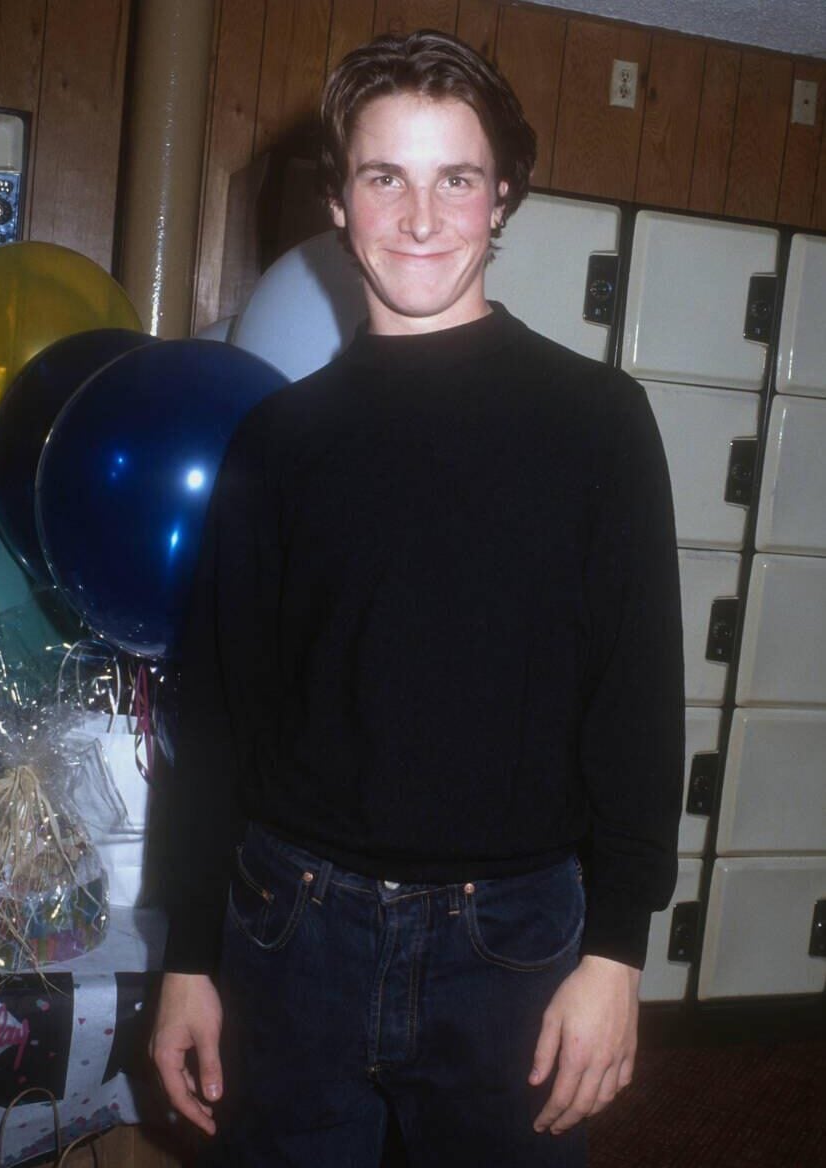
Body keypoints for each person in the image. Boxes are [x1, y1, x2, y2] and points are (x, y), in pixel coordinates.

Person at [151, 29, 685, 1167]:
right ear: (337, 200)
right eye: (384, 176)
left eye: (457, 178)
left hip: (514, 945)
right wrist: (189, 957)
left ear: (504, 196)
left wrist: (617, 953)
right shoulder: (276, 442)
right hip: (291, 931)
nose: (421, 216)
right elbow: (218, 720)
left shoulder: (598, 425)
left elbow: (638, 708)